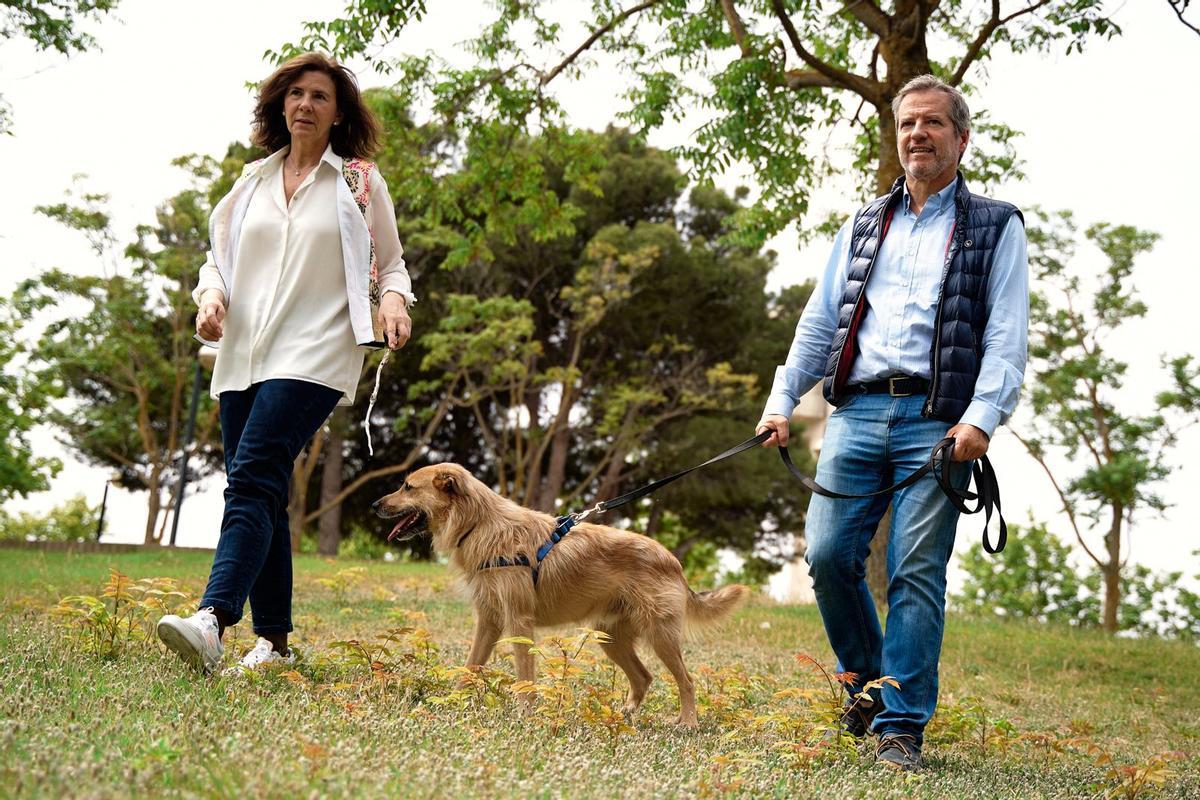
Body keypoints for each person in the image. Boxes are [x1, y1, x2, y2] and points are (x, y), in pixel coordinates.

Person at [756, 74, 1028, 770]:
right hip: (858, 408)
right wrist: (781, 402)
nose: (918, 134)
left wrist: (982, 418)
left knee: (915, 568)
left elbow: (1005, 334)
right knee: (826, 554)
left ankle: (900, 725)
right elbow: (821, 323)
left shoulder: (997, 225)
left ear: (961, 138)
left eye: (934, 123)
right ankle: (872, 681)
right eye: (908, 123)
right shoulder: (864, 222)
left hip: (939, 421)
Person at [156, 52, 415, 674]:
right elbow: (216, 259)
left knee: (253, 474)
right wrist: (211, 297)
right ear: (279, 104)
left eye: (319, 96)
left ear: (337, 113)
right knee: (262, 489)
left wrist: (395, 305)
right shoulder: (250, 182)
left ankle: (213, 619)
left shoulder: (356, 182)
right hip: (244, 349)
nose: (305, 104)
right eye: (295, 93)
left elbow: (395, 262)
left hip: (318, 349)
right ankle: (274, 642)